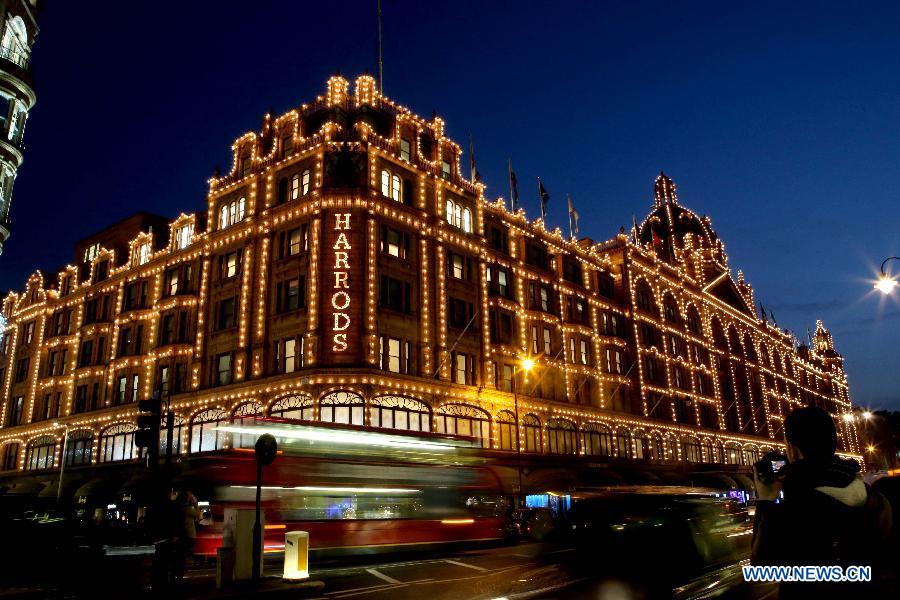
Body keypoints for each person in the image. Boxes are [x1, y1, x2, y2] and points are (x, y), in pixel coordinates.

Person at [752, 406, 893, 598]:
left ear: (792, 449)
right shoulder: (875, 499)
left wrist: (766, 501)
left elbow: (762, 568)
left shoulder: (794, 508)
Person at [171, 489, 201, 583]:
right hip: (187, 536)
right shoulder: (188, 509)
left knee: (178, 558)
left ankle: (174, 576)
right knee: (182, 559)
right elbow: (198, 514)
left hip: (179, 536)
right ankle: (179, 578)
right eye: (189, 497)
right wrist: (195, 503)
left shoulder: (178, 508)